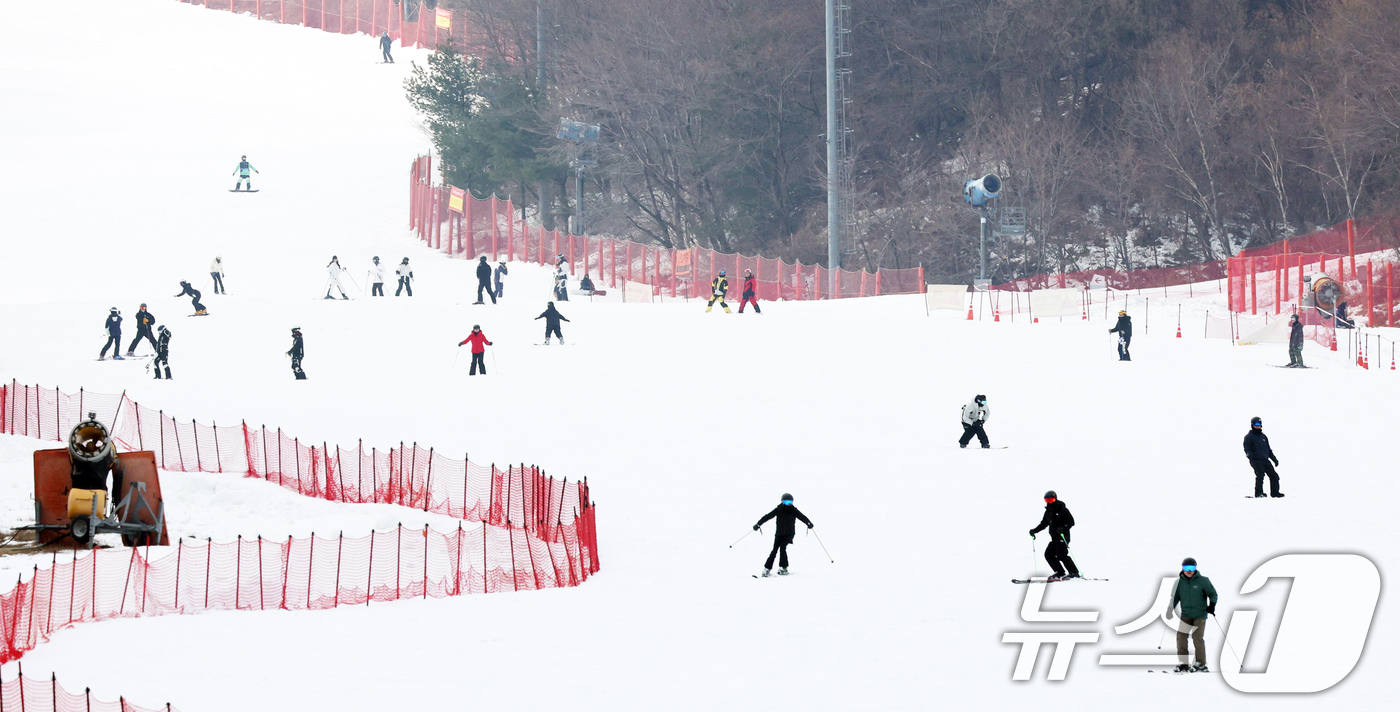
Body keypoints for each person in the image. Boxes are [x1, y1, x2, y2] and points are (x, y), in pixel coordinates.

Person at [1166, 557, 1217, 673]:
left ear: (1195, 568)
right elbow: (1175, 597)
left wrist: (1212, 605)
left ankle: (1200, 663)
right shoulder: (1179, 582)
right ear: (1182, 569)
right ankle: (1183, 663)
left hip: (1200, 615)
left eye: (1192, 568)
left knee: (1197, 637)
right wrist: (1170, 609)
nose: (1189, 570)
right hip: (1186, 615)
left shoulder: (1203, 581)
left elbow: (1213, 594)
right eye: (1186, 568)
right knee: (1181, 637)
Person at [752, 493, 814, 577]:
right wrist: (758, 524)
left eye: (790, 502)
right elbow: (768, 516)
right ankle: (767, 568)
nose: (788, 504)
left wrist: (808, 523)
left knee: (782, 548)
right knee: (774, 551)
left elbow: (802, 517)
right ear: (782, 502)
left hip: (789, 534)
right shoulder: (779, 509)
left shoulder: (793, 510)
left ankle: (783, 567)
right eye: (786, 502)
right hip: (779, 534)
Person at [1028, 490, 1080, 580]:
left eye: (1051, 500)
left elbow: (1071, 521)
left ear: (1055, 499)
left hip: (1063, 537)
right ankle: (1060, 572)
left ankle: (1074, 572)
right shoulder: (1048, 512)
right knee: (1049, 554)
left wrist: (1063, 528)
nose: (1049, 502)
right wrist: (1034, 531)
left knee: (1061, 554)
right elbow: (1044, 523)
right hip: (1054, 538)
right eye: (1047, 501)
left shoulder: (1062, 509)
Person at [1243, 416, 1283, 498]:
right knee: (1260, 475)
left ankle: (1275, 493)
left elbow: (1268, 450)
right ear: (1252, 425)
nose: (1258, 426)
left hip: (1265, 460)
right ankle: (1259, 493)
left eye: (1259, 424)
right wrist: (1249, 455)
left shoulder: (1263, 437)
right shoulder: (1249, 437)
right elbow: (1247, 448)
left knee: (1274, 476)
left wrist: (1274, 459)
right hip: (1255, 460)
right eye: (1256, 424)